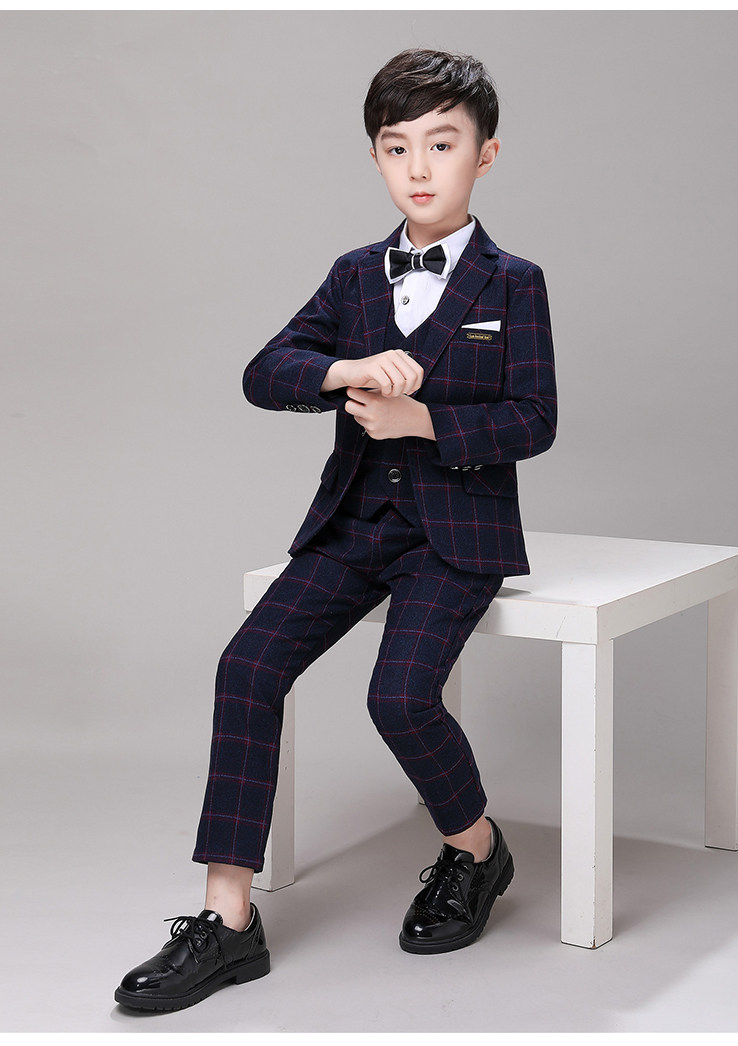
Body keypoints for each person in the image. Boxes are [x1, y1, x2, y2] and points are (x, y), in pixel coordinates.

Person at [115, 46, 557, 1013]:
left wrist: (425, 421)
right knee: (246, 669)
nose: (420, 168)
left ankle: (476, 848)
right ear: (376, 158)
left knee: (399, 697)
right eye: (398, 148)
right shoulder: (354, 275)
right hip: (355, 523)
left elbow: (535, 420)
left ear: (485, 155)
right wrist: (341, 369)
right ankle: (228, 921)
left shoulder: (514, 283)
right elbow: (264, 372)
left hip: (455, 534)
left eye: (442, 144)